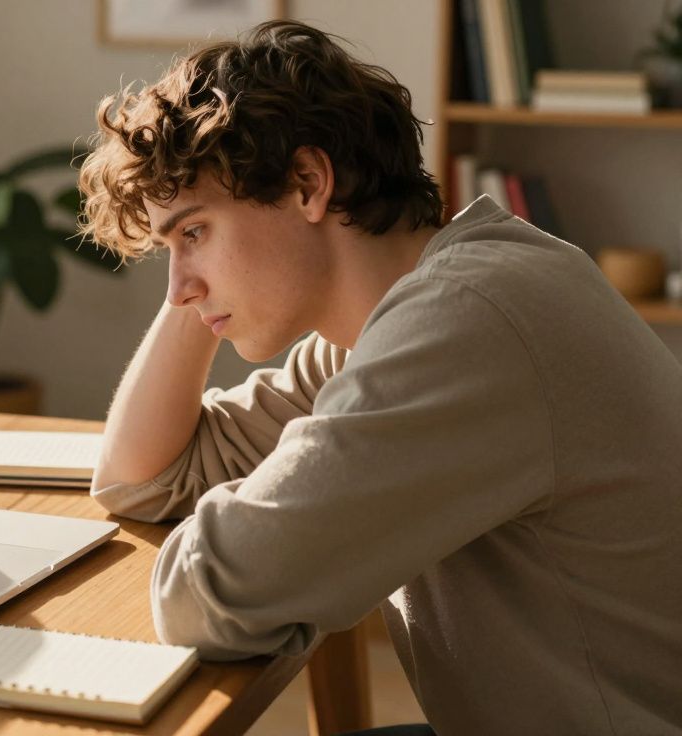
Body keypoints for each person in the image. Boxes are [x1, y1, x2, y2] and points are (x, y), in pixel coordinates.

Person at [78, 20, 682, 735]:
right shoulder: (392, 318)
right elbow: (142, 477)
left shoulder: (465, 324)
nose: (175, 286)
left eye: (194, 233)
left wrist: (298, 509)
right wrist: (198, 272)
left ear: (308, 182)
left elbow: (208, 595)